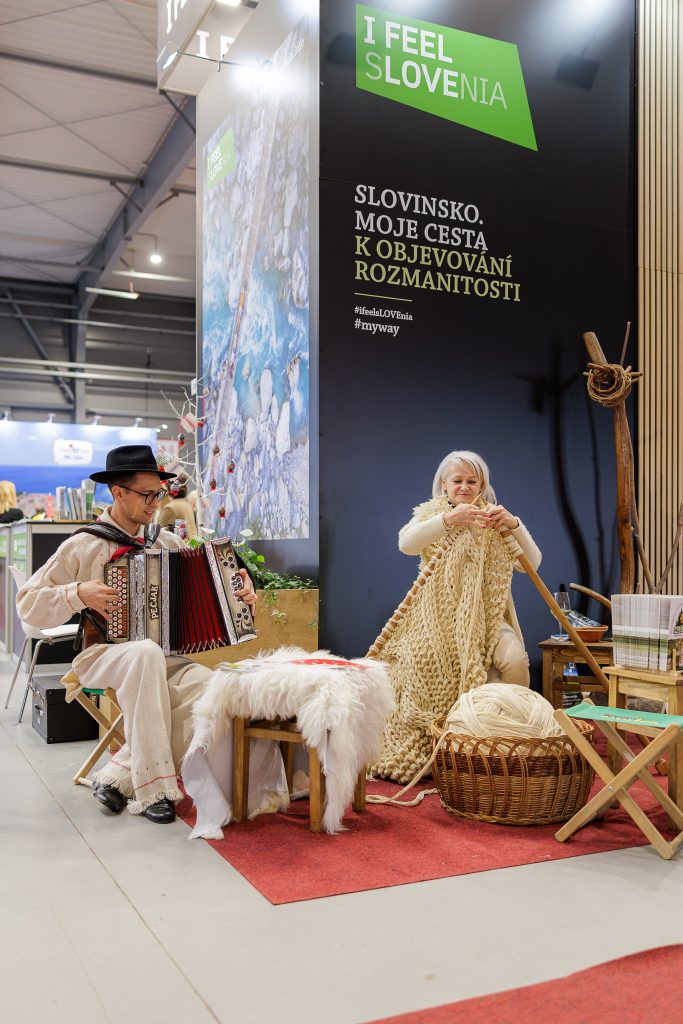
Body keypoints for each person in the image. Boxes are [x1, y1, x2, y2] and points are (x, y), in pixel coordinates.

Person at [16, 444, 263, 825]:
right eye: (147, 494)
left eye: (159, 494)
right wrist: (77, 593)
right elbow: (27, 604)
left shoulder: (167, 543)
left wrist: (242, 593)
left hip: (165, 659)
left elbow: (213, 591)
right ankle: (155, 790)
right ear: (118, 492)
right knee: (145, 652)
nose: (155, 503)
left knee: (214, 689)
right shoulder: (83, 545)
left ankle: (119, 774)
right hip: (100, 656)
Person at [398, 450, 540, 686]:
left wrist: (515, 525)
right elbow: (406, 544)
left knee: (515, 660)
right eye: (457, 480)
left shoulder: (494, 517)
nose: (464, 487)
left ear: (481, 485)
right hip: (437, 616)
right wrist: (447, 520)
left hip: (489, 616)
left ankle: (514, 708)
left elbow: (531, 565)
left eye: (471, 481)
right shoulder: (431, 514)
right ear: (444, 484)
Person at [157, 472, 198, 540]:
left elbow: (158, 536)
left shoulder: (169, 508)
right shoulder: (185, 504)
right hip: (191, 544)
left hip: (181, 545)